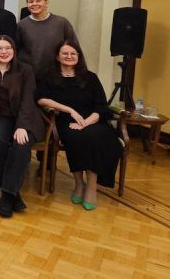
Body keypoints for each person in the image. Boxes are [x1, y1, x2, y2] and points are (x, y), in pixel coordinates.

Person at [36, 40, 123, 211]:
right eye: (65, 53)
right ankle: (78, 184)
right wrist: (70, 110)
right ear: (57, 56)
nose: (69, 56)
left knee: (95, 137)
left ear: (78, 56)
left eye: (73, 53)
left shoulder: (90, 78)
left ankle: (91, 185)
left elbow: (101, 107)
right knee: (76, 137)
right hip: (66, 122)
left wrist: (85, 122)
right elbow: (41, 99)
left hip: (93, 121)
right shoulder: (49, 77)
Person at [0, 35, 43, 217]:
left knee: (20, 144)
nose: (4, 51)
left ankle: (6, 196)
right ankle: (14, 195)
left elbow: (28, 100)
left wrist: (22, 126)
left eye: (8, 48)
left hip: (27, 118)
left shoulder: (25, 70)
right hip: (1, 117)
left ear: (14, 50)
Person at [16, 0, 78, 76]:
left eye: (38, 1)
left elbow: (74, 47)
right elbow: (16, 50)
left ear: (46, 2)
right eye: (31, 1)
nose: (34, 4)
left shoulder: (61, 22)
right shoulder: (21, 25)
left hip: (57, 74)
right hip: (30, 75)